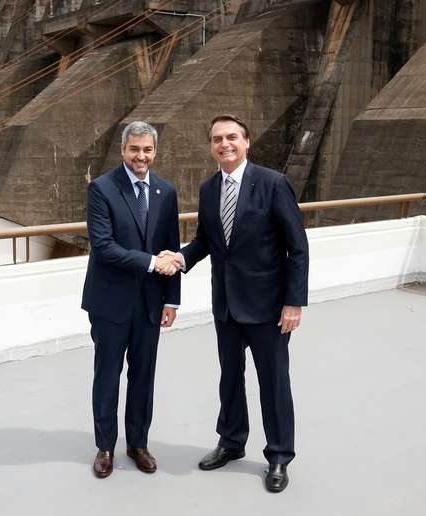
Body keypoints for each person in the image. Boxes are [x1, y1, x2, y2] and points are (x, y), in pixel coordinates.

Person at [165, 114, 309, 493]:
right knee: (230, 377)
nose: (224, 144)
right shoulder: (209, 188)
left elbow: (298, 247)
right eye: (217, 139)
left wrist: (293, 303)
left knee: (273, 382)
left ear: (247, 142)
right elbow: (205, 241)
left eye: (231, 137)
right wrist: (181, 258)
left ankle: (279, 455)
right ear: (211, 146)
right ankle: (230, 442)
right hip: (226, 305)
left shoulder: (273, 184)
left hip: (268, 307)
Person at [82, 121, 182, 479]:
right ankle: (105, 446)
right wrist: (152, 262)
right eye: (135, 149)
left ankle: (138, 444)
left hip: (151, 304)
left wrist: (172, 301)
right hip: (110, 303)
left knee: (144, 375)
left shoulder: (166, 192)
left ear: (155, 152)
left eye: (148, 150)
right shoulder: (102, 189)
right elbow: (104, 246)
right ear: (123, 150)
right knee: (108, 375)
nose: (141, 156)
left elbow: (171, 243)